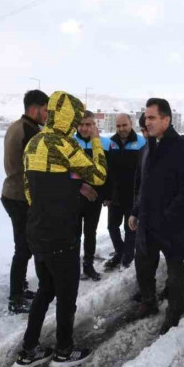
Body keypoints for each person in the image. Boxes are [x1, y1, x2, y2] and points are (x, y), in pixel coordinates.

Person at [11, 91, 107, 367]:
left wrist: (56, 196)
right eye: (76, 119)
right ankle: (64, 351)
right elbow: (99, 174)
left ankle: (29, 351)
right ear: (69, 118)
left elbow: (30, 190)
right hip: (61, 234)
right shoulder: (64, 145)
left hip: (36, 230)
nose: (78, 125)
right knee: (66, 294)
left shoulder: (34, 143)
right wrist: (97, 140)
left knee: (45, 289)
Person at [129, 98, 184, 335]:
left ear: (166, 120)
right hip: (147, 222)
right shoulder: (147, 148)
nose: (146, 122)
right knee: (143, 266)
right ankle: (149, 302)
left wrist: (168, 216)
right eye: (146, 117)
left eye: (151, 118)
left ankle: (174, 313)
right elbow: (141, 185)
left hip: (172, 224)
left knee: (175, 272)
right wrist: (135, 211)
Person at [0, 89, 48, 314]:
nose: (47, 115)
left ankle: (19, 288)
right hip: (20, 196)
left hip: (11, 193)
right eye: (46, 110)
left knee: (25, 247)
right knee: (23, 249)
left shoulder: (15, 126)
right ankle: (15, 298)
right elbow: (36, 169)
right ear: (35, 109)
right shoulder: (30, 131)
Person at [103, 113, 146, 271]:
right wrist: (106, 194)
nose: (121, 129)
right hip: (115, 195)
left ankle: (128, 257)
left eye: (124, 125)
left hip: (133, 195)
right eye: (118, 126)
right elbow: (106, 170)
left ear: (131, 124)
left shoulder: (141, 142)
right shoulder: (110, 143)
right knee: (112, 227)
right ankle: (120, 252)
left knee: (130, 228)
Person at [73, 111, 110, 281]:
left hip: (94, 197)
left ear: (95, 125)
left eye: (88, 124)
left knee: (90, 233)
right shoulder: (70, 143)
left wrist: (106, 195)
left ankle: (88, 265)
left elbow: (108, 172)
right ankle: (72, 268)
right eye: (81, 124)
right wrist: (78, 185)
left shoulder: (104, 144)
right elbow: (65, 171)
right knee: (73, 235)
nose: (84, 128)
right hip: (73, 197)